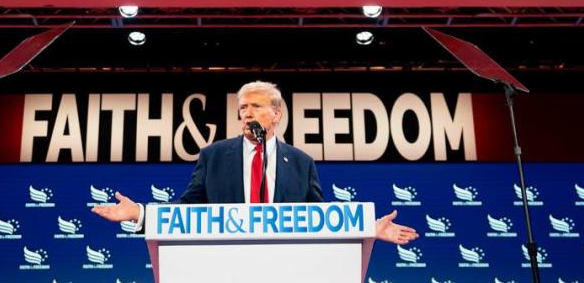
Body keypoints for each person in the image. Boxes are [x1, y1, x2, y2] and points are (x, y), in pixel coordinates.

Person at [92, 81, 419, 245]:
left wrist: (368, 230)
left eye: (255, 106)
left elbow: (319, 218)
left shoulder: (301, 163)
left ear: (276, 114)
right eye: (242, 107)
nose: (246, 113)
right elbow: (186, 212)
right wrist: (140, 214)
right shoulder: (214, 156)